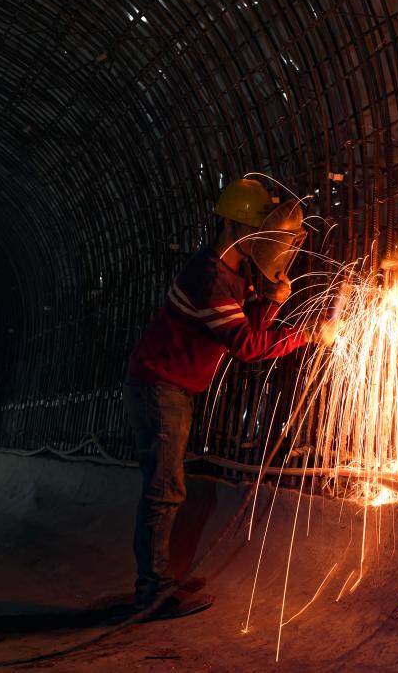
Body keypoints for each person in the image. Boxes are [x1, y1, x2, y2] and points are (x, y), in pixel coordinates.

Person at [123, 177, 316, 619]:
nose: (269, 240)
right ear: (234, 226)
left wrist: (271, 300)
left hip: (171, 387)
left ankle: (159, 579)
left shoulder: (230, 273)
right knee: (164, 491)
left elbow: (251, 329)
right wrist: (307, 334)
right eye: (260, 229)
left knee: (167, 488)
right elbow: (248, 347)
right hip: (157, 388)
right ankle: (152, 590)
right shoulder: (210, 277)